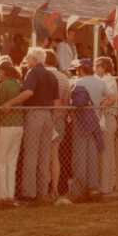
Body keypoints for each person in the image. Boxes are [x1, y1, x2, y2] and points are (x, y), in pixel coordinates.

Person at [1, 47, 59, 202]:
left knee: (31, 154)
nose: (26, 60)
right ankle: (42, 191)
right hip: (49, 115)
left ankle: (29, 192)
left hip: (34, 114)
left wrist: (10, 103)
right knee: (44, 156)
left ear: (34, 59)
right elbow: (56, 101)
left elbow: (28, 93)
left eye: (28, 57)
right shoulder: (51, 75)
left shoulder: (33, 72)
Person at [71, 59, 112, 197]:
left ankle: (79, 189)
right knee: (93, 155)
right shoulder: (100, 82)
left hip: (81, 121)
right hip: (95, 121)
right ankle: (93, 187)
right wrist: (102, 105)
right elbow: (112, 97)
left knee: (80, 156)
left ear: (81, 70)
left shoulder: (78, 82)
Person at [44, 49, 70, 199]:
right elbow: (66, 100)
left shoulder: (43, 75)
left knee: (43, 155)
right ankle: (54, 188)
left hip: (46, 117)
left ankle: (45, 188)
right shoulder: (64, 78)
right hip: (60, 119)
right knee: (55, 155)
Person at [0, 62, 23, 204]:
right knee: (11, 162)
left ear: (4, 72)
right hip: (19, 125)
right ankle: (9, 194)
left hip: (6, 125)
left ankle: (0, 195)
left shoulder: (4, 85)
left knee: (0, 161)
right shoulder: (18, 84)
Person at [94, 57, 118, 195]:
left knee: (106, 153)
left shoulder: (109, 80)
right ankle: (103, 184)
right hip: (102, 117)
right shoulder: (101, 80)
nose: (96, 69)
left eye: (98, 66)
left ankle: (107, 186)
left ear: (105, 67)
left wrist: (99, 104)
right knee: (102, 153)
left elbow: (112, 97)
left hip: (108, 117)